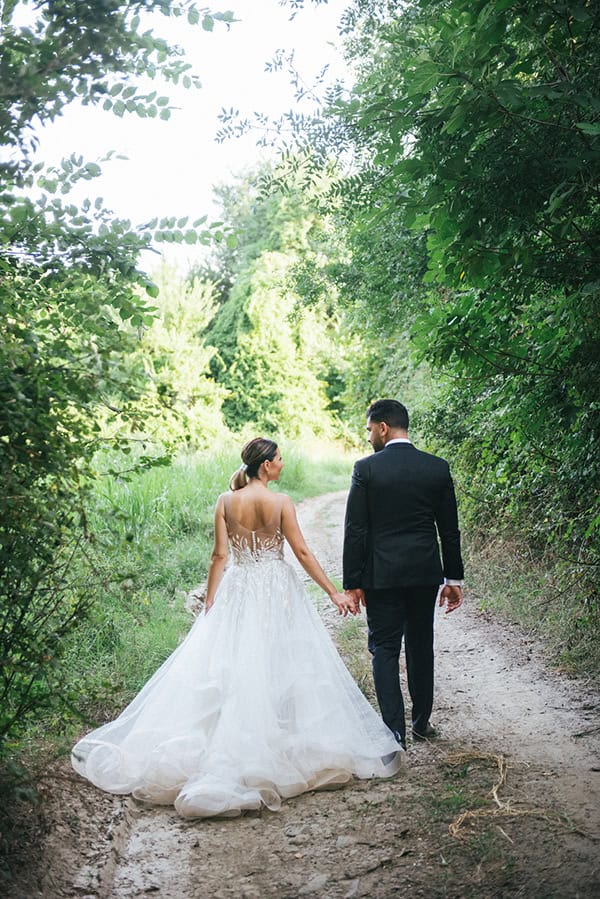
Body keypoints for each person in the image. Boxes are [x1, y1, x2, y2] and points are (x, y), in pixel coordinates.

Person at [72, 437, 402, 818]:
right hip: (277, 586)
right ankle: (273, 739)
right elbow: (302, 552)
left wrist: (212, 600)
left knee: (240, 656)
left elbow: (220, 555)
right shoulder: (280, 503)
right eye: (279, 460)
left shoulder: (225, 501)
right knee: (279, 656)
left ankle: (251, 735)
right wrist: (333, 594)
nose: (282, 464)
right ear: (265, 465)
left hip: (240, 586)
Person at [343, 399, 464, 750]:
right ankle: (422, 722)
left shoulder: (366, 470)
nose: (368, 438)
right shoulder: (437, 468)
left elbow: (355, 530)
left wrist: (353, 582)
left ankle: (393, 732)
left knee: (384, 648)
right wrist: (453, 579)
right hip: (425, 573)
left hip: (381, 576)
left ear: (383, 427)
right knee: (421, 643)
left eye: (369, 430)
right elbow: (450, 531)